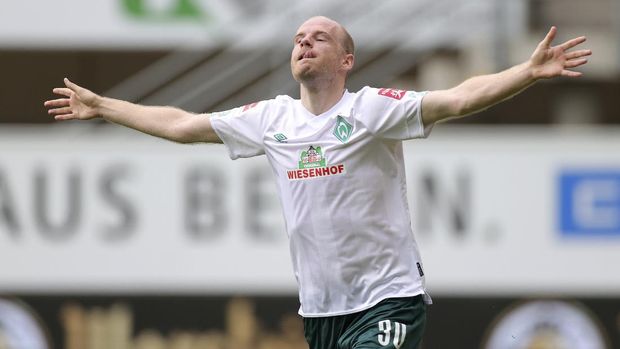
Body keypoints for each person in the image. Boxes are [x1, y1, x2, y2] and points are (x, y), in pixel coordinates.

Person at [44, 16, 591, 349]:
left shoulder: (373, 108)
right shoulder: (271, 118)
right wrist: (102, 106)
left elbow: (458, 97)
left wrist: (525, 71)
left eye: (320, 38)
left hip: (388, 299)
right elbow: (184, 125)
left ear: (346, 59)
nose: (304, 43)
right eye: (299, 38)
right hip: (322, 312)